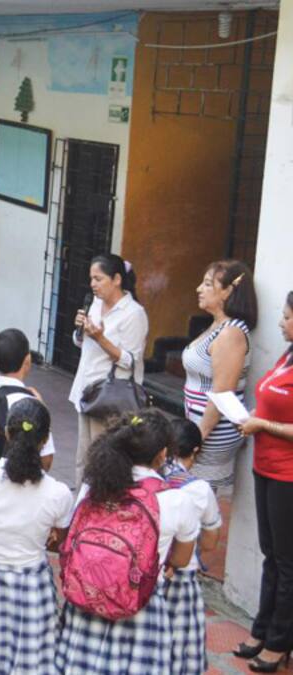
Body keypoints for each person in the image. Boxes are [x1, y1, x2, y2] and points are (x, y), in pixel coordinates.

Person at [55, 410, 200, 674]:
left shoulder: (94, 486)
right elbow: (181, 560)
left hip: (86, 598)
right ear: (162, 454)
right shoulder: (177, 501)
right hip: (140, 607)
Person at [0, 398, 73, 675]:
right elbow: (59, 542)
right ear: (45, 440)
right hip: (33, 589)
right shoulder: (59, 493)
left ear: (6, 433)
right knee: (32, 664)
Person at [236, 290, 293, 670]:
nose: (281, 322)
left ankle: (279, 643)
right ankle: (262, 630)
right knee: (270, 555)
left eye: (287, 317)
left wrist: (262, 424)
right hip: (265, 466)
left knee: (287, 563)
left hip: (288, 475)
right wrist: (255, 417)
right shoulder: (288, 356)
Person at [69, 254, 148, 482]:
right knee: (83, 459)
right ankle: (82, 502)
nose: (93, 284)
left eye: (98, 279)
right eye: (91, 279)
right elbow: (82, 344)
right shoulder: (94, 304)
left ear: (116, 279)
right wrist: (80, 332)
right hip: (85, 390)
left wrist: (100, 338)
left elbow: (130, 361)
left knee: (102, 461)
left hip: (108, 397)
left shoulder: (134, 313)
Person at [183, 259, 256, 489]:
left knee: (201, 493)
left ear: (227, 292)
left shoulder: (230, 333)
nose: (199, 289)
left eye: (207, 284)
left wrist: (197, 439)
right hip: (200, 426)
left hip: (212, 432)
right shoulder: (217, 326)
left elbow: (221, 393)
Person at [159, 419, 222, 674]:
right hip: (182, 578)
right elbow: (210, 542)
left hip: (149, 573)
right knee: (180, 649)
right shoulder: (199, 489)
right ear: (195, 450)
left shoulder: (147, 477)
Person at [0, 328, 57, 470]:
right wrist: (43, 411)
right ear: (27, 360)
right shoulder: (32, 405)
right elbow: (46, 461)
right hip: (19, 477)